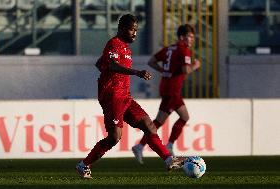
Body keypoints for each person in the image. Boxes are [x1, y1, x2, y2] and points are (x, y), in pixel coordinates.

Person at [76, 14, 185, 179]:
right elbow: (111, 64)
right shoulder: (114, 43)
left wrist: (106, 71)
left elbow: (101, 63)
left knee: (149, 125)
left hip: (125, 96)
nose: (135, 33)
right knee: (114, 137)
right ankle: (84, 165)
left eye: (136, 30)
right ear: (121, 29)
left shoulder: (126, 48)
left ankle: (169, 159)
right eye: (132, 29)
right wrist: (136, 72)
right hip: (113, 96)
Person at [132, 24, 200, 164]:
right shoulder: (184, 50)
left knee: (160, 121)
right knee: (182, 117)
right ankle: (167, 144)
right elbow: (186, 70)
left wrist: (163, 71)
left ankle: (140, 146)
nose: (192, 40)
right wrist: (196, 66)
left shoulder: (169, 48)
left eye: (193, 37)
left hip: (166, 87)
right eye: (190, 37)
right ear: (182, 37)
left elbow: (151, 61)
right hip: (173, 90)